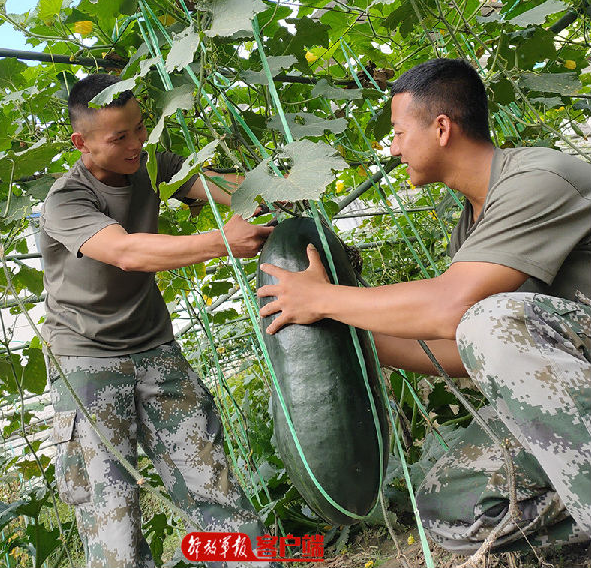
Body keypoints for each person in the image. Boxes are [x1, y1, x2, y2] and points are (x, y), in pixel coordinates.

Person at [257, 58, 591, 554]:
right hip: (575, 391)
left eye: (397, 133)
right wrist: (346, 337)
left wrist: (325, 298)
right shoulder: (472, 227)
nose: (393, 149)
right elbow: (461, 351)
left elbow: (455, 310)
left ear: (441, 128)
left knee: (487, 319)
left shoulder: (538, 178)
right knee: (447, 505)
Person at [41, 73, 274, 568]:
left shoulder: (153, 164)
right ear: (81, 143)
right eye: (119, 137)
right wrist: (221, 242)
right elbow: (125, 252)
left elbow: (221, 187)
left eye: (140, 128)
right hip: (85, 363)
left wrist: (274, 190)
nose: (136, 144)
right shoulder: (65, 200)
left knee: (213, 486)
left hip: (155, 349)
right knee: (113, 524)